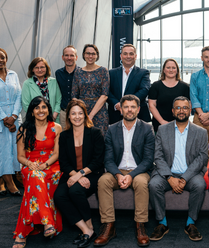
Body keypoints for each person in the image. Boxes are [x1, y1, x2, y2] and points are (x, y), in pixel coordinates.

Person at [94, 95, 155, 247]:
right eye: (126, 107)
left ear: (139, 109)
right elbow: (107, 159)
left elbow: (148, 160)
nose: (129, 110)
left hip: (139, 171)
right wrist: (118, 175)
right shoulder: (111, 129)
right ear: (121, 109)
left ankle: (140, 225)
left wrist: (131, 176)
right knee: (103, 181)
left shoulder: (147, 129)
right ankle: (109, 226)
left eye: (133, 107)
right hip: (117, 170)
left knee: (141, 183)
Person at [149, 96, 208, 242]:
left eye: (185, 108)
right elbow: (158, 156)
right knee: (153, 184)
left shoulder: (200, 132)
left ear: (190, 110)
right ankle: (162, 223)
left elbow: (202, 158)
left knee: (200, 184)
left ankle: (191, 223)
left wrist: (183, 178)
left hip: (190, 174)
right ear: (173, 111)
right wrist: (169, 178)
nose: (181, 111)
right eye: (178, 108)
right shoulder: (162, 130)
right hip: (166, 173)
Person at [53, 99, 105, 247]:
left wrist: (80, 174)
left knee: (75, 191)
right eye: (73, 113)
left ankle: (89, 228)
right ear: (68, 116)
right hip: (71, 174)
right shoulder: (64, 136)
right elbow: (63, 162)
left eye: (80, 113)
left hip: (92, 173)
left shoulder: (95, 133)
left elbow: (98, 161)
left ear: (85, 115)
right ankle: (87, 230)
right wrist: (75, 175)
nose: (77, 117)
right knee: (59, 195)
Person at [13, 96, 63, 248]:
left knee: (33, 186)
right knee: (34, 176)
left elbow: (56, 153)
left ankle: (22, 234)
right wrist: (30, 164)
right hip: (30, 165)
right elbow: (20, 156)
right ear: (32, 111)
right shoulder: (24, 129)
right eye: (37, 108)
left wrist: (45, 164)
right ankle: (48, 222)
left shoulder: (57, 127)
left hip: (51, 165)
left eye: (44, 107)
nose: (41, 111)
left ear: (48, 110)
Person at [108, 44, 151, 124]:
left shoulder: (143, 73)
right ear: (121, 56)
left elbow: (144, 90)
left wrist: (126, 104)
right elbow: (107, 91)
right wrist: (116, 104)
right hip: (115, 115)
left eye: (131, 54)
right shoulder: (111, 73)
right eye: (125, 54)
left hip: (138, 116)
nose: (128, 56)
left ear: (135, 56)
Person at [71, 44, 110, 133]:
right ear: (84, 55)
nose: (90, 56)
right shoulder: (78, 72)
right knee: (83, 139)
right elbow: (74, 95)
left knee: (100, 139)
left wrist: (90, 116)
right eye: (88, 53)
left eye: (93, 53)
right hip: (81, 111)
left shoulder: (103, 71)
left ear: (97, 55)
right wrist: (80, 112)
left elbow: (104, 95)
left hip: (99, 111)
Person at [0, 48, 21, 196]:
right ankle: (8, 182)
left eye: (2, 57)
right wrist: (4, 118)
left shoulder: (13, 74)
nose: (0, 60)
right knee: (3, 151)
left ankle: (16, 176)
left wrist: (13, 117)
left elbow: (19, 95)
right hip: (1, 118)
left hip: (14, 117)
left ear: (6, 58)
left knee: (15, 149)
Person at [148, 58, 190, 132]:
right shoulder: (156, 86)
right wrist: (162, 122)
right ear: (164, 70)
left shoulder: (184, 87)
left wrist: (180, 122)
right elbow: (152, 105)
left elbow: (188, 106)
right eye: (168, 67)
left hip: (180, 125)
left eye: (173, 68)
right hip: (159, 125)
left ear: (177, 70)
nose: (171, 70)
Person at [22, 57, 62, 123]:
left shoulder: (54, 81)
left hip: (53, 119)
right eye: (36, 67)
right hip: (35, 120)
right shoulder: (27, 84)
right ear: (32, 69)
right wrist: (39, 117)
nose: (40, 70)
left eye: (42, 67)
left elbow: (59, 100)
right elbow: (26, 104)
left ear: (46, 68)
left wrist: (54, 114)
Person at [55, 45, 80, 129]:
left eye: (72, 55)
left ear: (76, 57)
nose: (69, 58)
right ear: (63, 57)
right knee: (64, 137)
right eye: (66, 55)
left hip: (79, 113)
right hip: (64, 113)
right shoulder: (58, 73)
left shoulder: (82, 73)